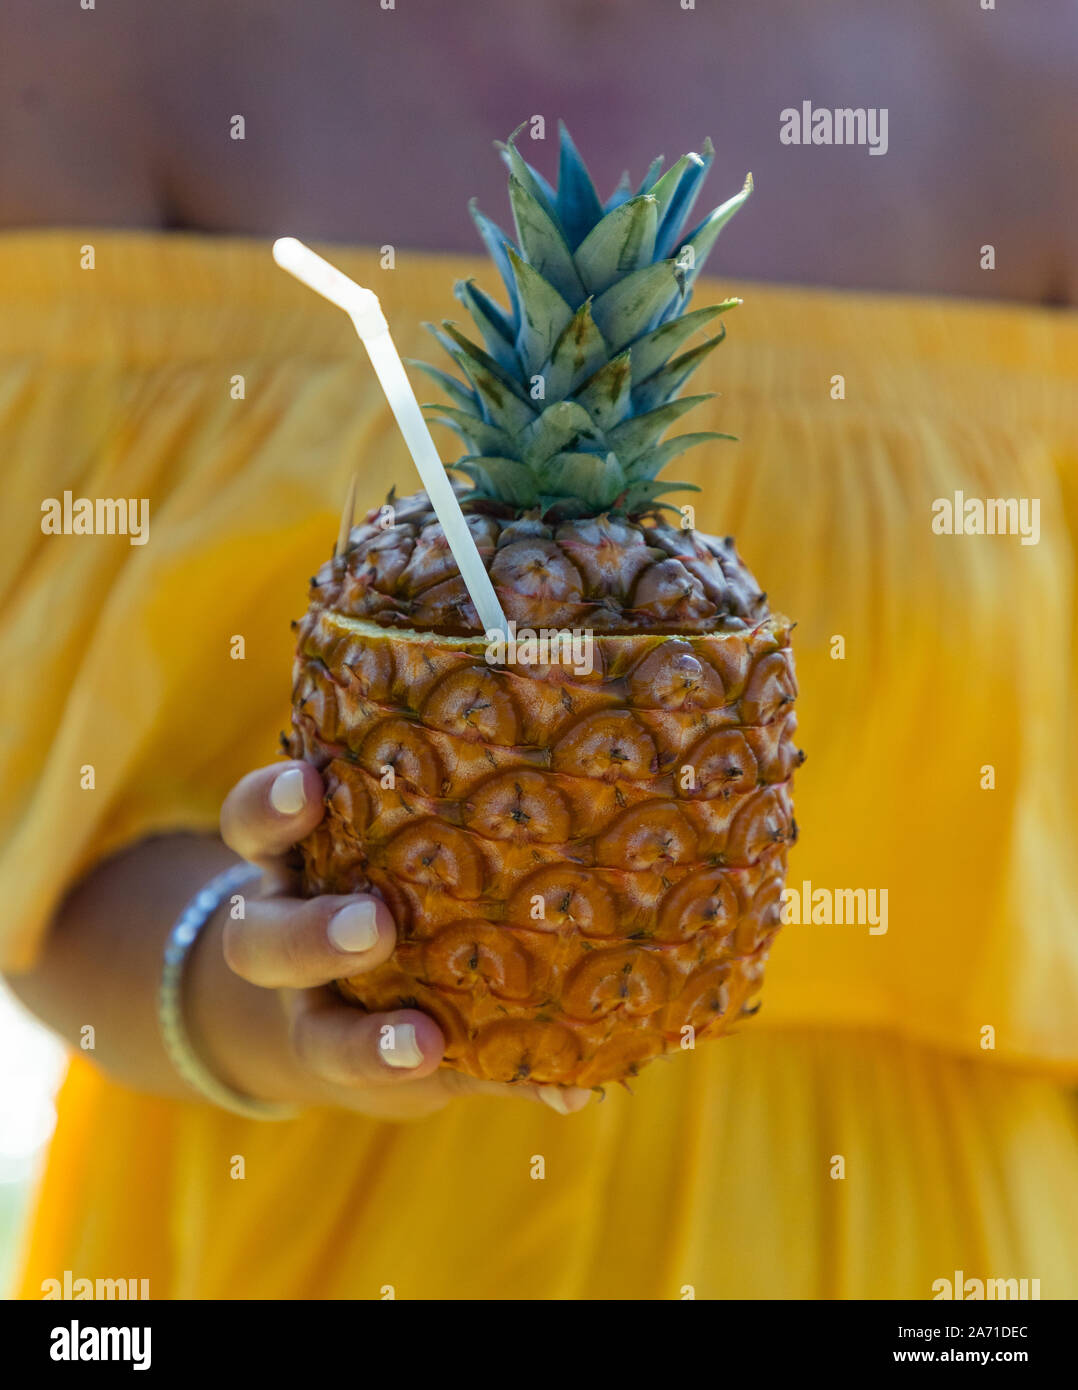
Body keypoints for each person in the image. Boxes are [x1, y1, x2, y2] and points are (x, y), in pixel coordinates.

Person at [2, 0, 1076, 1298]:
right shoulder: (86, 51)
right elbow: (40, 837)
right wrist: (256, 988)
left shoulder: (1039, 76)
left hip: (920, 1250)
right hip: (304, 1234)